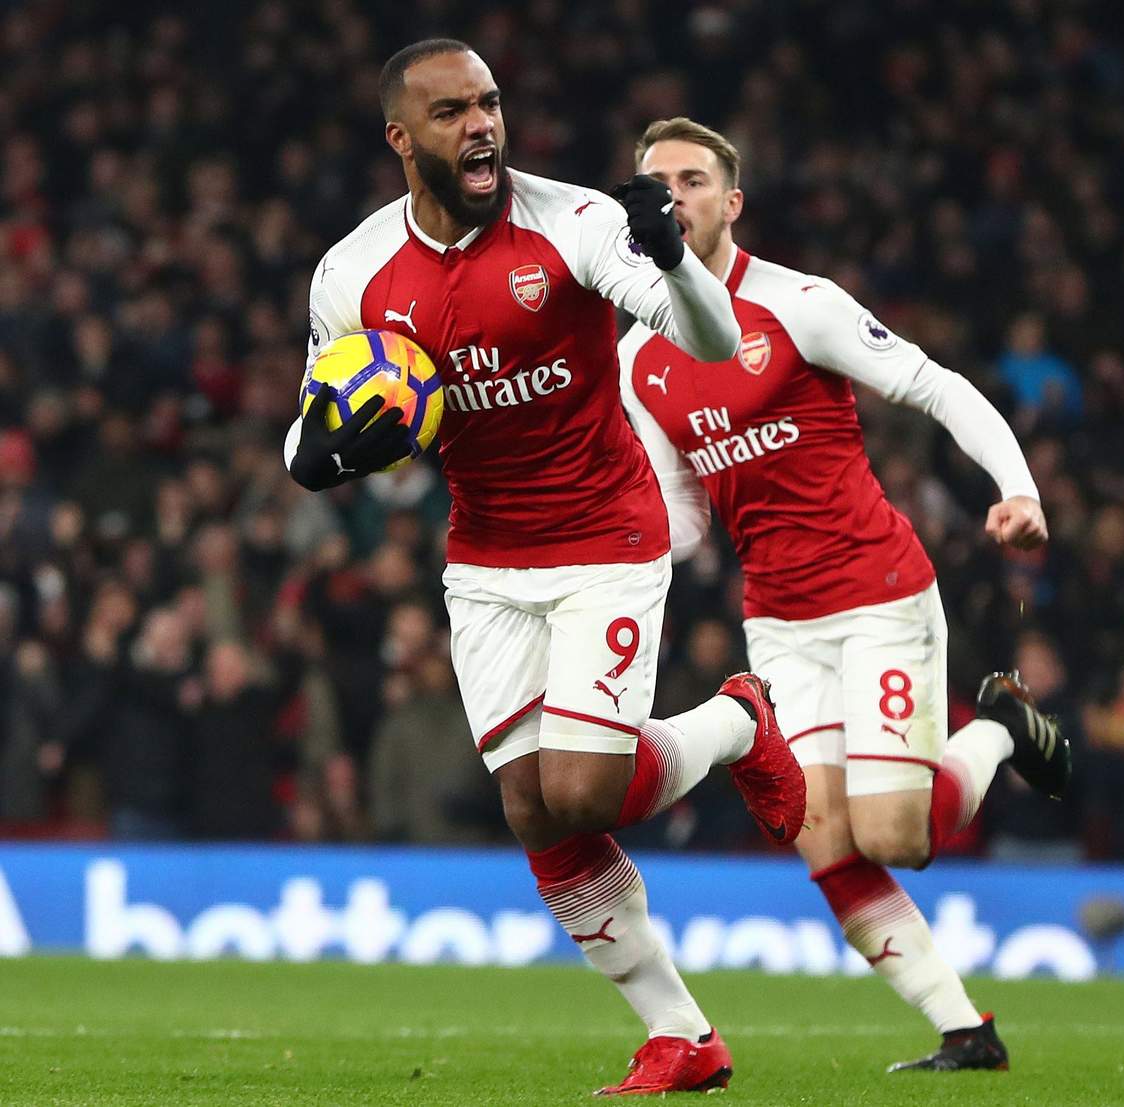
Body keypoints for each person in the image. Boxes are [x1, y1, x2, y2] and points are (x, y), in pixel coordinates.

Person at [283, 41, 806, 1096]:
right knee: (530, 808)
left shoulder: (576, 224)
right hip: (484, 560)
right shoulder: (353, 272)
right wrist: (325, 454)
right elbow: (307, 428)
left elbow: (710, 342)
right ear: (401, 138)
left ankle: (738, 721)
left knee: (581, 788)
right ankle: (683, 1037)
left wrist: (673, 259)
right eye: (450, 113)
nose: (480, 124)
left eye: (488, 103)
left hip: (606, 538)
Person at [619, 118, 1072, 1073]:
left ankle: (1001, 729)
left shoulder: (800, 304)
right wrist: (611, 551)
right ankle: (966, 1031)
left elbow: (937, 387)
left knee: (897, 835)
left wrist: (1018, 487)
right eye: (656, 182)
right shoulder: (637, 358)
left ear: (731, 203)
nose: (673, 195)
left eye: (693, 179)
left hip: (879, 595)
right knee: (824, 840)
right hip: (779, 621)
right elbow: (684, 516)